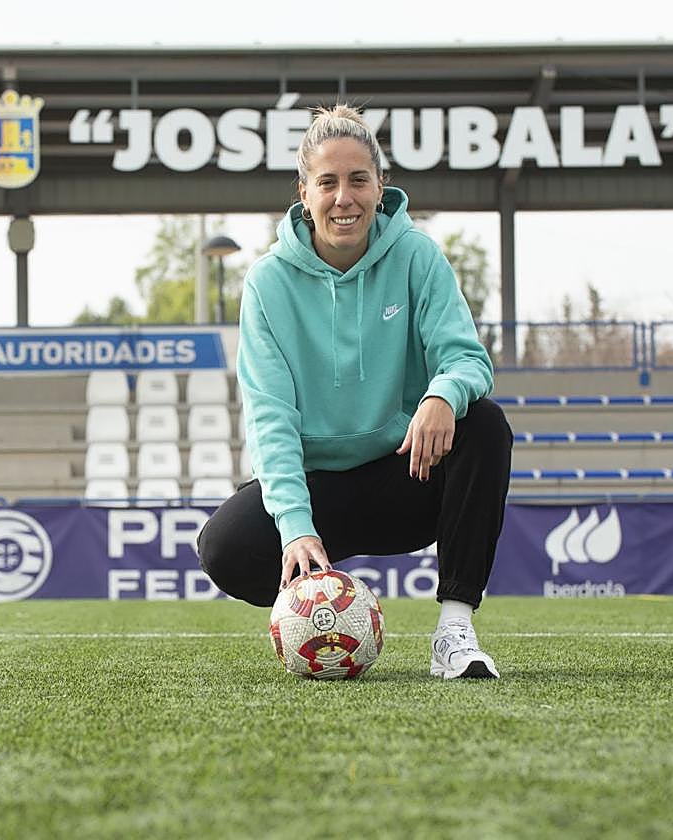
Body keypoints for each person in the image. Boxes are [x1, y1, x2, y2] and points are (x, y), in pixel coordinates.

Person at [196, 104, 513, 679]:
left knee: (485, 424)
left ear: (380, 185)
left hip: (407, 474)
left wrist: (442, 396)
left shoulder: (416, 256)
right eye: (328, 182)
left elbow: (466, 359)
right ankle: (319, 604)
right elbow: (271, 417)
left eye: (358, 180)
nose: (345, 198)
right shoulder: (268, 283)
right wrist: (295, 527)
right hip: (322, 491)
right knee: (224, 549)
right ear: (304, 192)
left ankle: (455, 631)